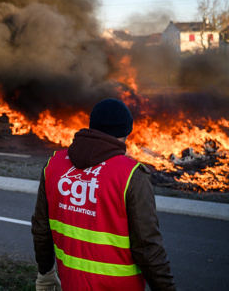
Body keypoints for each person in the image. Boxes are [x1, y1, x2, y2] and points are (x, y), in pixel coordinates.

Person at [31, 98, 176, 291]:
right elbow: (148, 249)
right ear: (126, 132)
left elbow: (41, 229)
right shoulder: (131, 175)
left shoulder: (54, 165)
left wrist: (46, 273)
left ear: (92, 128)